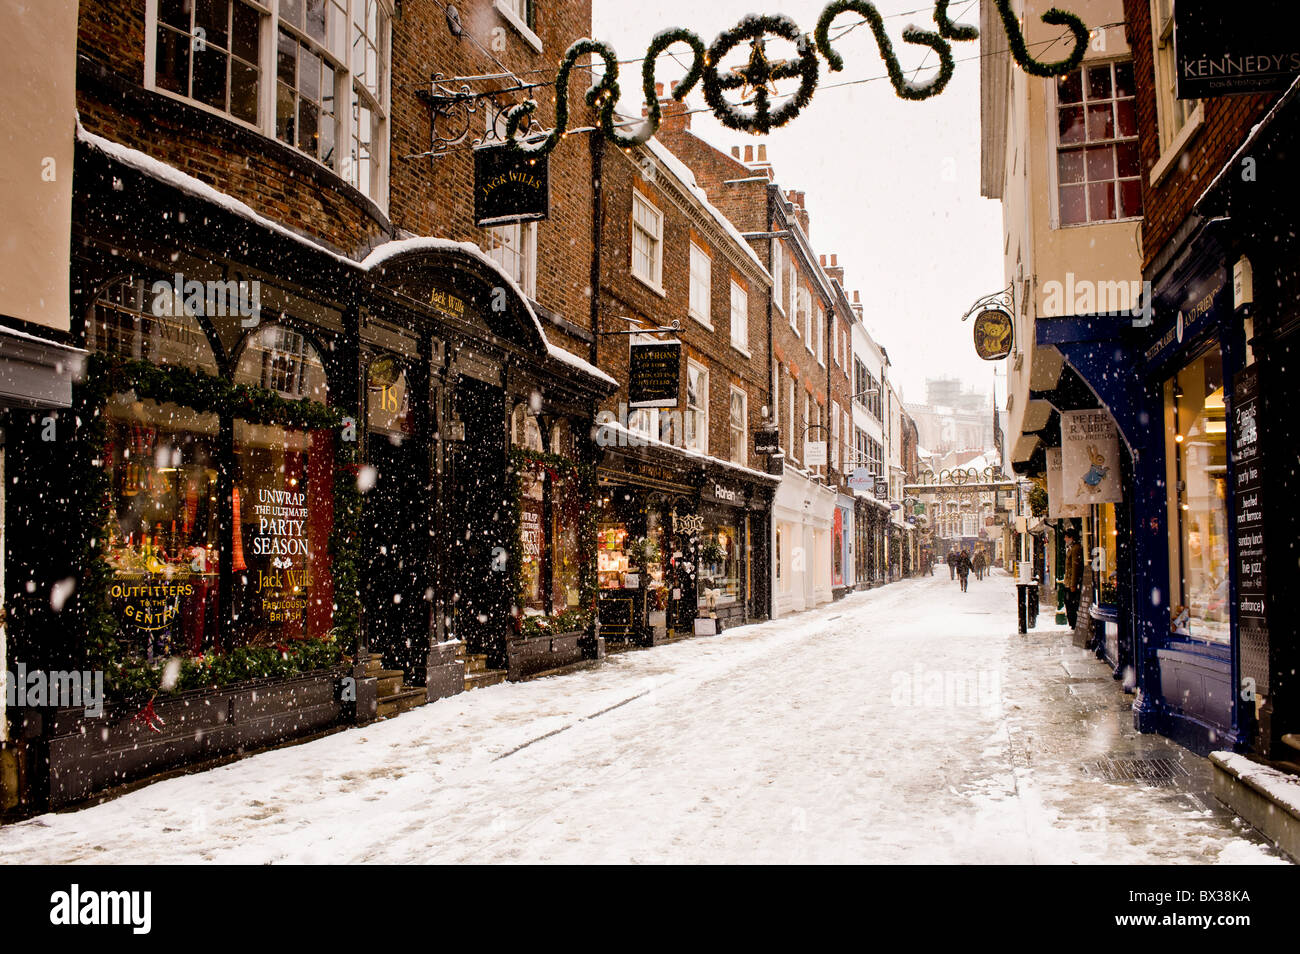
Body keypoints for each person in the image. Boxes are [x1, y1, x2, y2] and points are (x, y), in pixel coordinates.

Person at [1063, 526, 1084, 629]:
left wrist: (1073, 584)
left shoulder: (1075, 549)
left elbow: (1075, 567)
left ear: (1071, 538)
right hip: (1068, 582)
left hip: (1071, 583)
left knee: (1071, 604)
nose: (1065, 539)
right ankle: (1072, 623)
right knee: (1068, 603)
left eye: (1066, 537)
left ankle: (1073, 623)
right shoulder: (1071, 548)